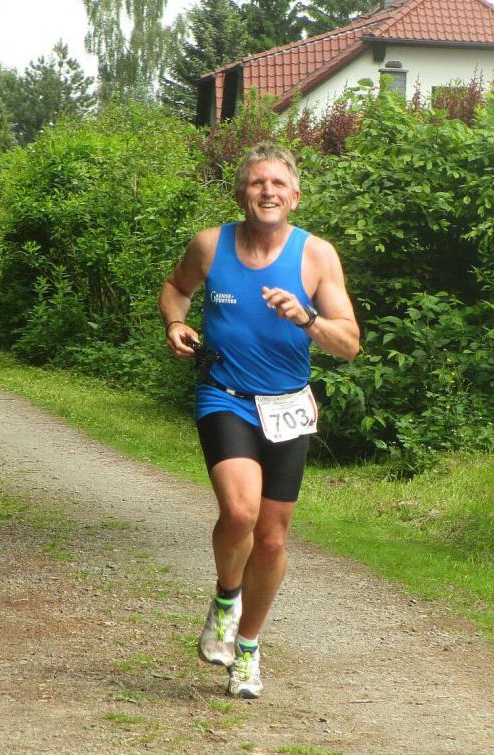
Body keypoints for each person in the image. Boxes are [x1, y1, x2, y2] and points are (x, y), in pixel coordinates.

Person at [158, 142, 360, 699]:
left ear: (295, 196)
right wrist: (175, 323)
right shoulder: (210, 245)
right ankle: (227, 597)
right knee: (240, 510)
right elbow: (175, 289)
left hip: (287, 406)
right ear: (240, 193)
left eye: (277, 184)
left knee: (270, 539)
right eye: (256, 182)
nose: (267, 191)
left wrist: (308, 318)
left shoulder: (316, 256)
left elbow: (349, 343)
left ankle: (246, 648)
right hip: (224, 396)